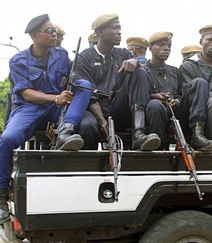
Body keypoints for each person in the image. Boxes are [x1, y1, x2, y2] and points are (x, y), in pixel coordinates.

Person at [0, 14, 92, 223]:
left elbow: (72, 79)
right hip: (30, 107)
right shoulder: (18, 60)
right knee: (7, 139)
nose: (54, 34)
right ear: (34, 35)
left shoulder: (60, 54)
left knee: (84, 85)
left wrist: (72, 88)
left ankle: (65, 130)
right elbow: (26, 93)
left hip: (56, 107)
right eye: (49, 31)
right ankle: (1, 195)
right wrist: (56, 98)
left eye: (55, 31)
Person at [76, 13, 160, 151]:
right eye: (114, 28)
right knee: (87, 126)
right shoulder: (84, 57)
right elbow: (87, 94)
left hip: (117, 107)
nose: (119, 31)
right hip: (94, 109)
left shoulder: (123, 54)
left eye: (119, 28)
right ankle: (86, 168)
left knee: (139, 71)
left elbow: (146, 75)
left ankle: (138, 133)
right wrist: (101, 120)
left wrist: (136, 62)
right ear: (100, 33)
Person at [144, 32, 212, 151]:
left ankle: (197, 134)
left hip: (178, 113)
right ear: (150, 48)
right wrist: (154, 96)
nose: (166, 48)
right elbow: (139, 97)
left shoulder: (175, 71)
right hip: (156, 112)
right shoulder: (143, 70)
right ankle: (157, 147)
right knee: (155, 105)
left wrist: (177, 101)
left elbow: (183, 94)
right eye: (161, 45)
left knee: (200, 82)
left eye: (169, 46)